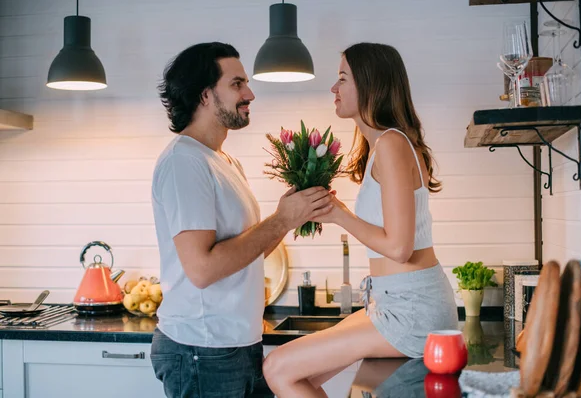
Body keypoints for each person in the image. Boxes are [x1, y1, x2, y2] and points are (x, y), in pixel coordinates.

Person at [262, 42, 458, 397]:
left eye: (342, 78)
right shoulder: (383, 146)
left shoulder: (392, 144)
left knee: (277, 368)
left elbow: (399, 248)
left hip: (411, 311)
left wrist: (339, 215)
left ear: (370, 84)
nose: (334, 89)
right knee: (296, 373)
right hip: (393, 302)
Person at [150, 42, 333, 398]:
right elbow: (202, 269)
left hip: (231, 345)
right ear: (205, 95)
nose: (249, 93)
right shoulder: (184, 162)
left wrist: (290, 217)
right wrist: (281, 220)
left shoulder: (223, 162)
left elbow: (244, 253)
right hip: (202, 350)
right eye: (236, 84)